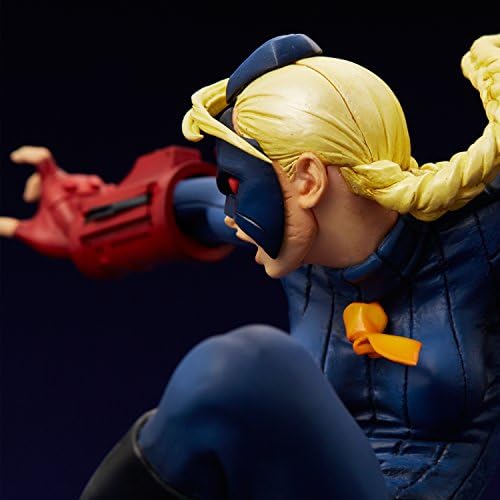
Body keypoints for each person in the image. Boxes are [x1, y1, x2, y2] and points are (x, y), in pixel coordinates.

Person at [1, 33, 499, 500]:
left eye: (237, 186)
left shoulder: (476, 240)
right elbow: (184, 208)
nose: (231, 214)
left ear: (307, 180)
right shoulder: (300, 249)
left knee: (246, 367)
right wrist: (78, 219)